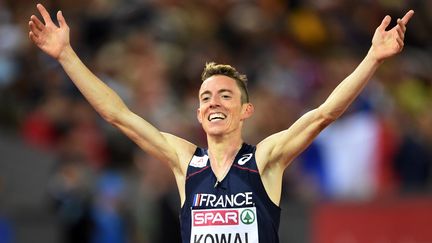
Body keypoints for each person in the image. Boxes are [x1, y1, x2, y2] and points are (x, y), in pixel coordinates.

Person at [28, 3, 414, 243]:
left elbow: (325, 113)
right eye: (205, 97)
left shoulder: (264, 160)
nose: (213, 101)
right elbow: (118, 115)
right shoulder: (185, 162)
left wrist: (372, 60)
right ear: (198, 114)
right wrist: (66, 56)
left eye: (225, 95)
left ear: (246, 111)